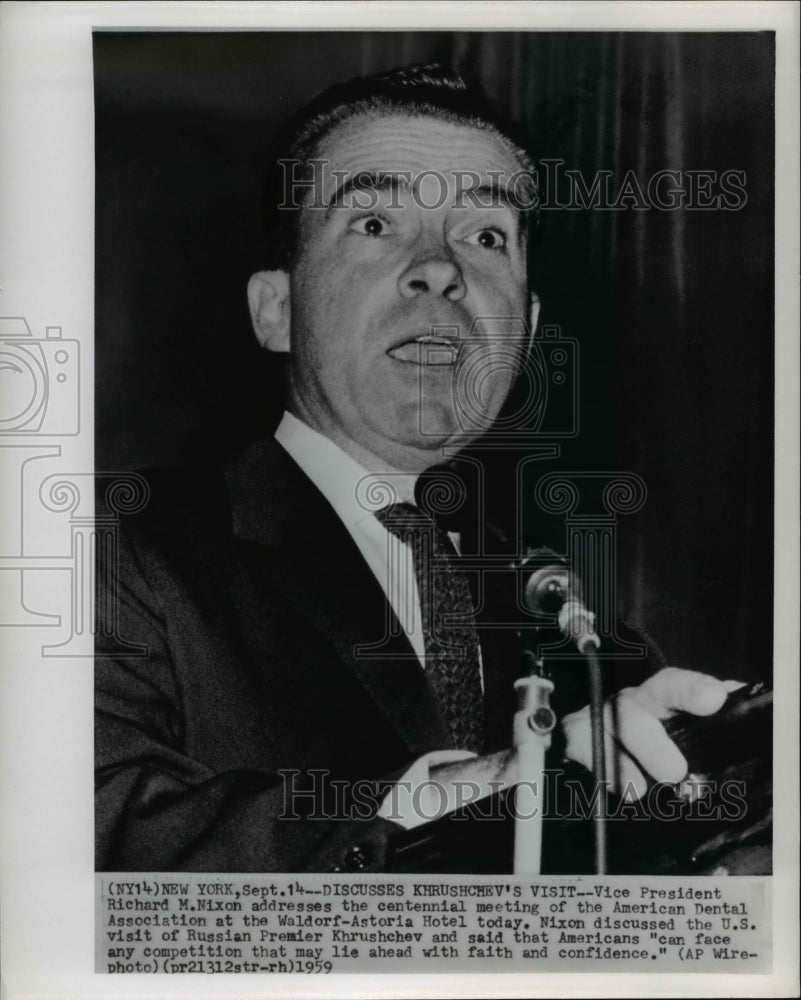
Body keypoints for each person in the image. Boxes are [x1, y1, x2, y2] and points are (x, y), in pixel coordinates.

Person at [95, 64, 737, 873]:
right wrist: (490, 790)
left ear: (528, 326)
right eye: (372, 223)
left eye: (485, 235)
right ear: (276, 310)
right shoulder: (109, 545)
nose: (441, 268)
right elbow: (73, 832)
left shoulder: (582, 629)